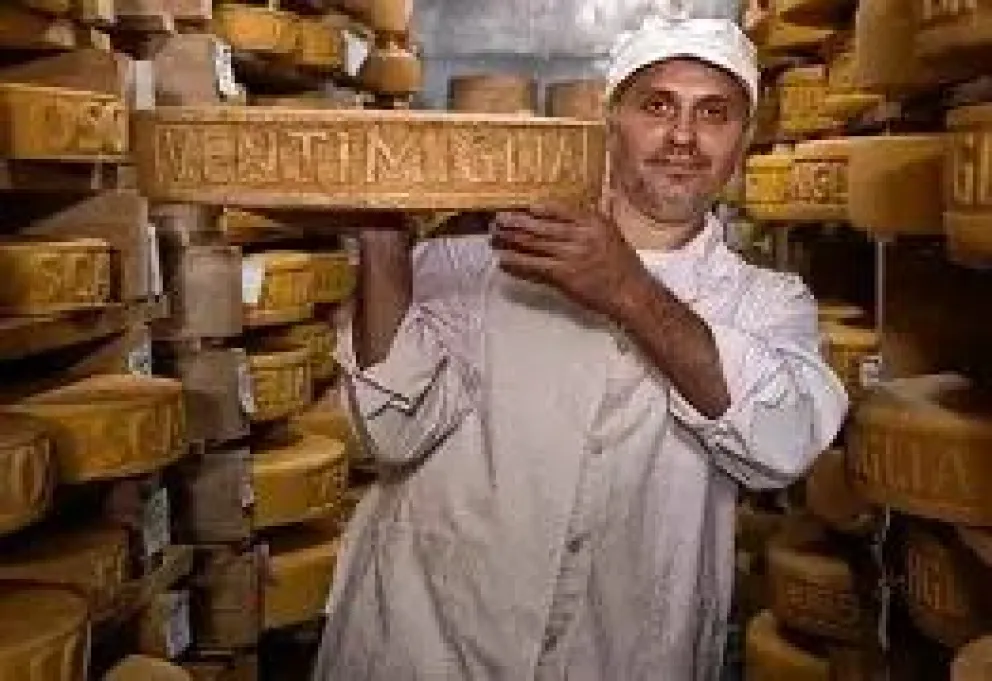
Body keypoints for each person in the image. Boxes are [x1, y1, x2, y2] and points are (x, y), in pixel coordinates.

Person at [312, 12, 848, 681]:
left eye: (714, 113)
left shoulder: (767, 303)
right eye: (657, 106)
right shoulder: (481, 252)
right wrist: (383, 237)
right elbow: (392, 431)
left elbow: (784, 442)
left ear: (745, 139)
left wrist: (628, 290)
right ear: (610, 120)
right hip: (429, 645)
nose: (683, 136)